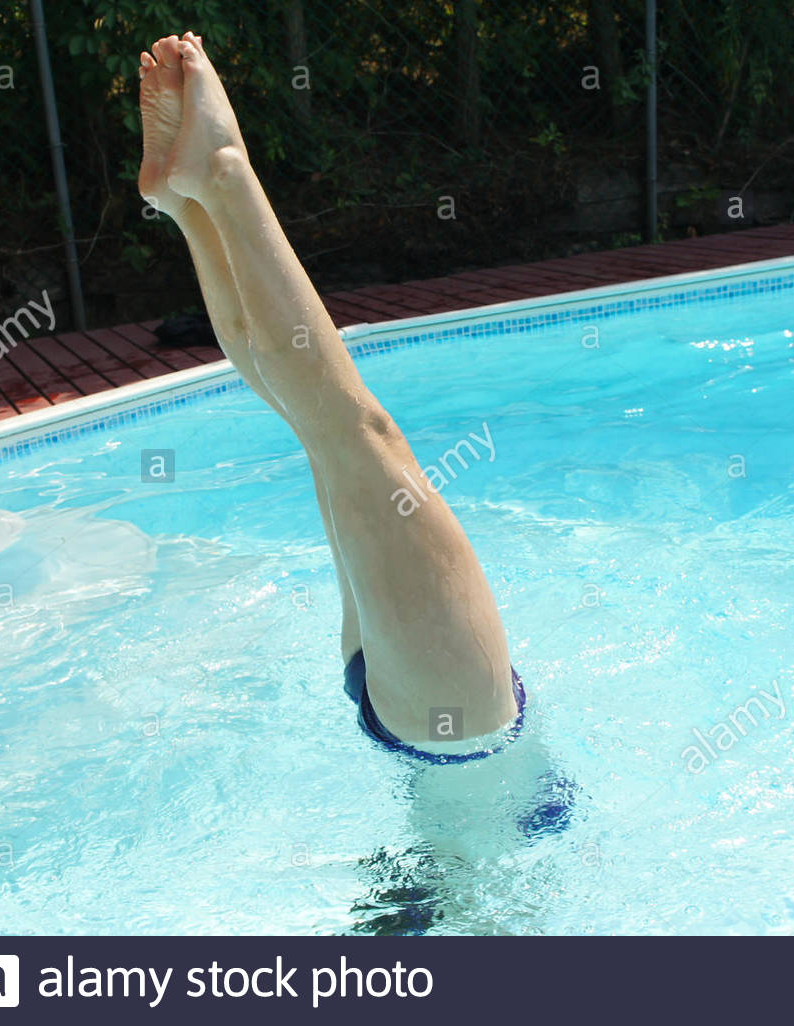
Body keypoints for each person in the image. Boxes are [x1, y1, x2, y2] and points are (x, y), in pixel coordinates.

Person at [137, 33, 523, 761]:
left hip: (462, 729)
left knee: (353, 433)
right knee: (325, 433)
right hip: (414, 723)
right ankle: (186, 205)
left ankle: (219, 176)